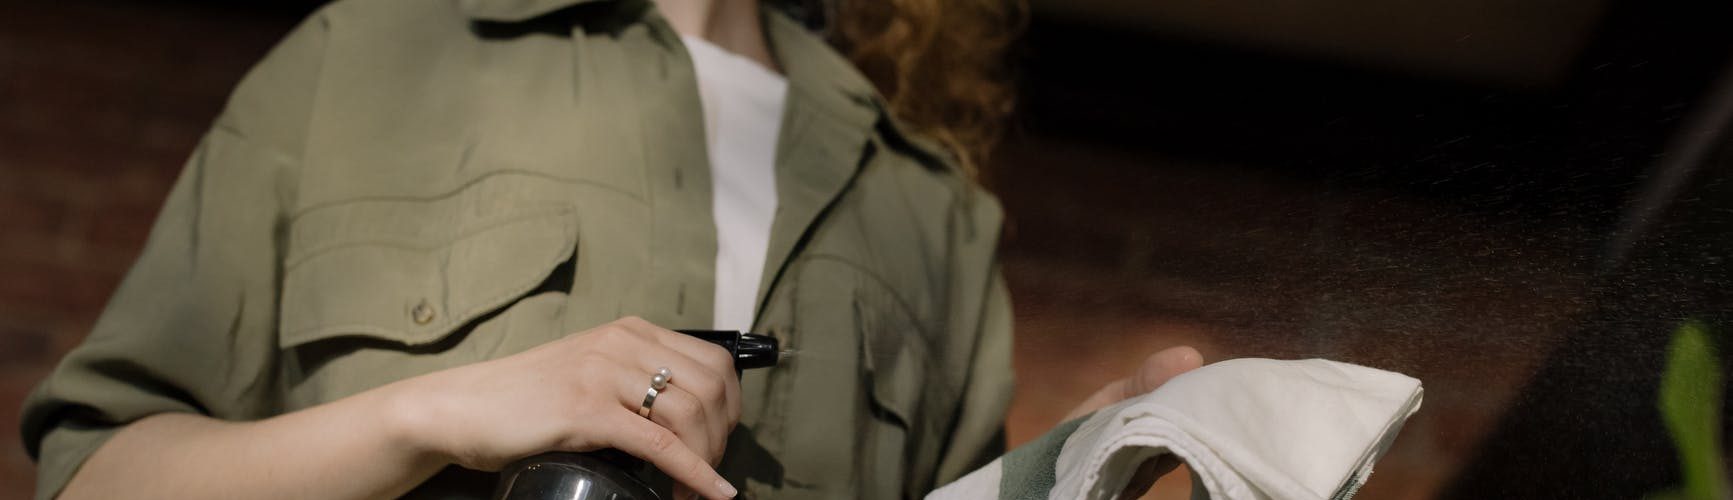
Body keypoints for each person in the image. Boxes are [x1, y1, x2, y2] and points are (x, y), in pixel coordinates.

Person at [20, 0, 1202, 498]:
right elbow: (99, 480)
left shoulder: (928, 206)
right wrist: (426, 414)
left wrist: (1078, 464)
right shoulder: (362, 52)